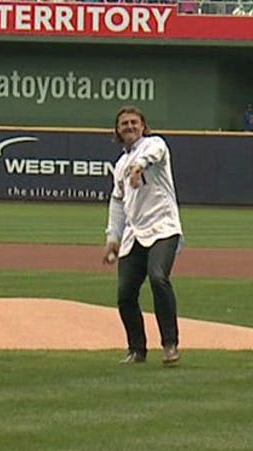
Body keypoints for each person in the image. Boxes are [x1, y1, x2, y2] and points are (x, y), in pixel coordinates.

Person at [102, 106, 184, 366]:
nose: (129, 126)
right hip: (134, 234)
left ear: (143, 125)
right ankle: (137, 349)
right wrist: (112, 237)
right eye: (124, 123)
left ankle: (170, 345)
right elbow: (117, 202)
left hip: (163, 228)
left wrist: (139, 166)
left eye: (134, 122)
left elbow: (153, 153)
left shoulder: (154, 144)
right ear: (117, 130)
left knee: (158, 277)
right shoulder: (119, 165)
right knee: (125, 294)